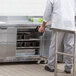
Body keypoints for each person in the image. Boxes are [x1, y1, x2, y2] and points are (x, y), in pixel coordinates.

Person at [38, 0, 75, 74]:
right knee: (69, 46)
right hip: (70, 23)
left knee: (54, 45)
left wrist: (43, 25)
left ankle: (51, 66)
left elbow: (47, 12)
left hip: (59, 23)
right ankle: (68, 67)